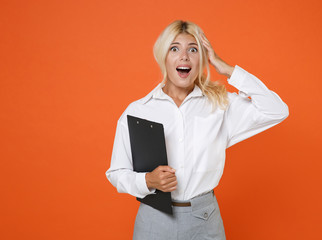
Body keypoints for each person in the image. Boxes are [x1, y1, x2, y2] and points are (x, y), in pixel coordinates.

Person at [105, 20, 289, 239]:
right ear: (164, 57)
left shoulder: (221, 105)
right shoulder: (138, 110)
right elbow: (116, 173)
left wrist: (226, 68)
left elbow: (277, 110)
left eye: (193, 49)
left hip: (204, 219)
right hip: (154, 218)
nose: (184, 56)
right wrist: (146, 181)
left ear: (202, 58)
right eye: (175, 48)